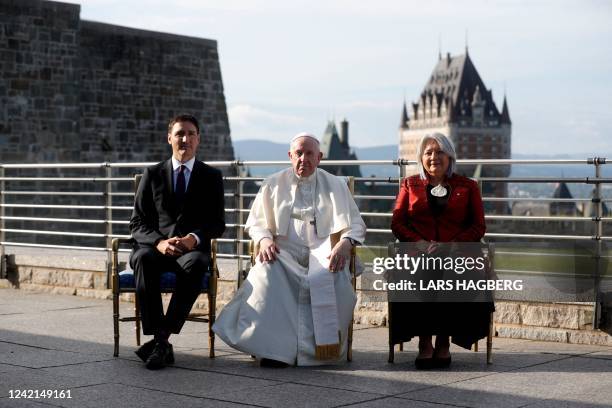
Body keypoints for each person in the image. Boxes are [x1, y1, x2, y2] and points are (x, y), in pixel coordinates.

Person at [213, 132, 366, 367]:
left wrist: (345, 243)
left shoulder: (336, 185)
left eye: (309, 154)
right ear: (290, 156)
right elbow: (255, 223)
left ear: (320, 157)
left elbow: (356, 224)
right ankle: (275, 352)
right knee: (267, 273)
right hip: (283, 254)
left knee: (334, 277)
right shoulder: (273, 183)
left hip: (325, 254)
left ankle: (320, 352)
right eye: (298, 153)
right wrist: (264, 240)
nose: (303, 159)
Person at [129, 114, 225, 370]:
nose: (185, 139)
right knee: (142, 258)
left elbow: (218, 223)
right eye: (180, 134)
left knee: (195, 264)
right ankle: (161, 341)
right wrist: (159, 242)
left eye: (191, 134)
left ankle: (160, 341)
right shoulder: (152, 174)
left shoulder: (211, 176)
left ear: (198, 139)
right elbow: (137, 223)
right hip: (156, 249)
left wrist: (194, 239)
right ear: (169, 138)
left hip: (191, 251)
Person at [390, 132, 492, 369]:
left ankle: (443, 342)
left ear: (450, 157)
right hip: (418, 252)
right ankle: (425, 342)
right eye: (428, 152)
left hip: (456, 253)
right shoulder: (409, 184)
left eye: (439, 152)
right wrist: (421, 243)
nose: (433, 157)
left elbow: (479, 226)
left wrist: (454, 244)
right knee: (421, 272)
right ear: (421, 158)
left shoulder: (469, 187)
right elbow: (397, 223)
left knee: (452, 274)